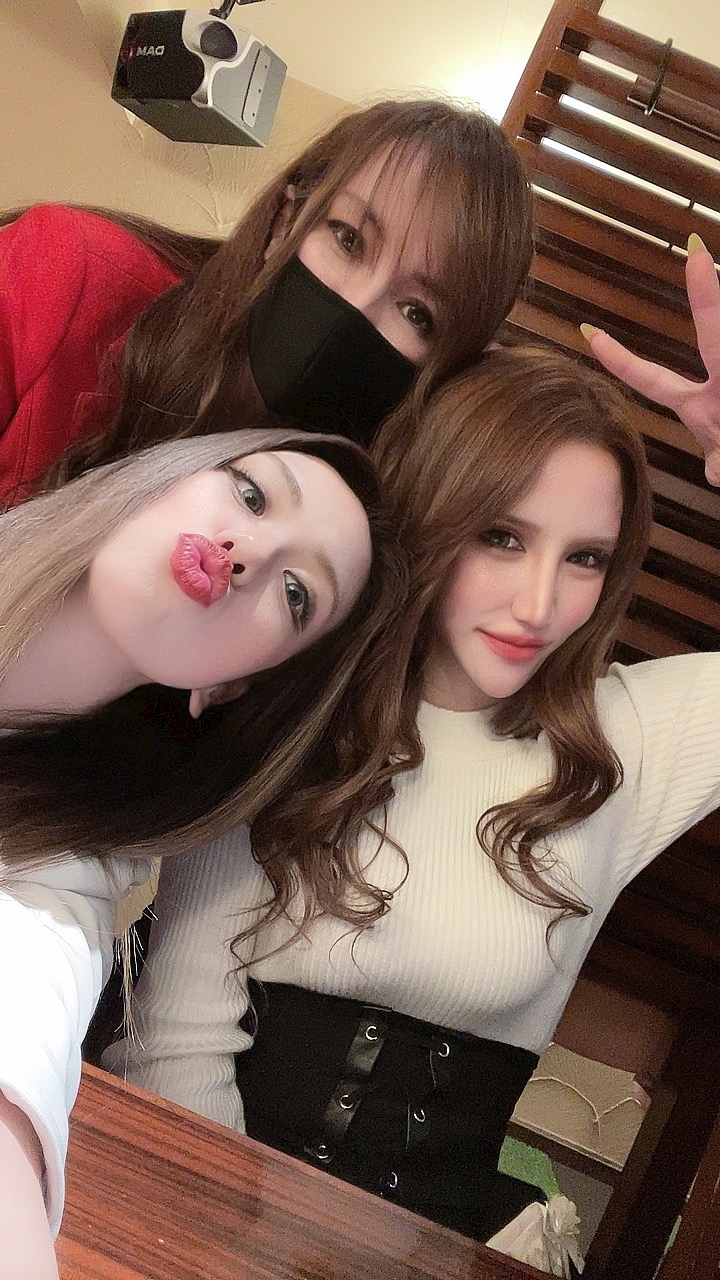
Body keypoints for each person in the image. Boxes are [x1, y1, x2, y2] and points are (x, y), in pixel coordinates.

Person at [107, 345, 719, 1275]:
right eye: (502, 537)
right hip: (183, 1211)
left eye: (585, 558)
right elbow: (177, 1039)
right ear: (436, 511)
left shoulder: (624, 742)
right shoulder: (294, 692)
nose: (540, 603)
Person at [0, 421, 405, 1277]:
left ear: (228, 688)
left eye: (296, 594)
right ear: (161, 472)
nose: (247, 551)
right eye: (251, 495)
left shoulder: (52, 896)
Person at [0, 98, 534, 504]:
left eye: (417, 312)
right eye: (348, 239)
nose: (357, 302)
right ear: (285, 220)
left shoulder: (338, 529)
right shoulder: (71, 274)